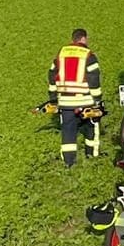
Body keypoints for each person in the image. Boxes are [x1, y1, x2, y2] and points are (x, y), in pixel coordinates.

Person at [48, 28, 103, 167]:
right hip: (85, 101)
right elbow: (94, 79)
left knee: (68, 131)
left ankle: (68, 162)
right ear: (84, 39)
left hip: (65, 102)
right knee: (91, 126)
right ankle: (92, 155)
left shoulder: (61, 53)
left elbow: (52, 75)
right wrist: (97, 100)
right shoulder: (88, 55)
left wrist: (53, 97)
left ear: (73, 39)